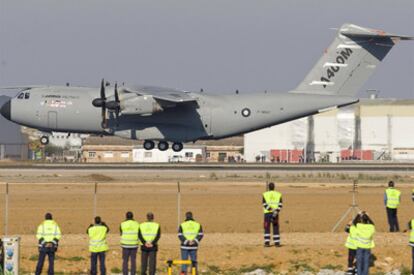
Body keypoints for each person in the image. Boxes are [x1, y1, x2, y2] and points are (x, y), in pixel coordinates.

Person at [262, 182, 283, 247]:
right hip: (275, 214)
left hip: (267, 214)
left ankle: (267, 243)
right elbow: (280, 205)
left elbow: (264, 204)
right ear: (274, 187)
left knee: (267, 227)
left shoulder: (265, 194)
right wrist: (275, 211)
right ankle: (277, 243)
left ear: (268, 187)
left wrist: (271, 210)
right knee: (276, 227)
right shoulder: (279, 194)